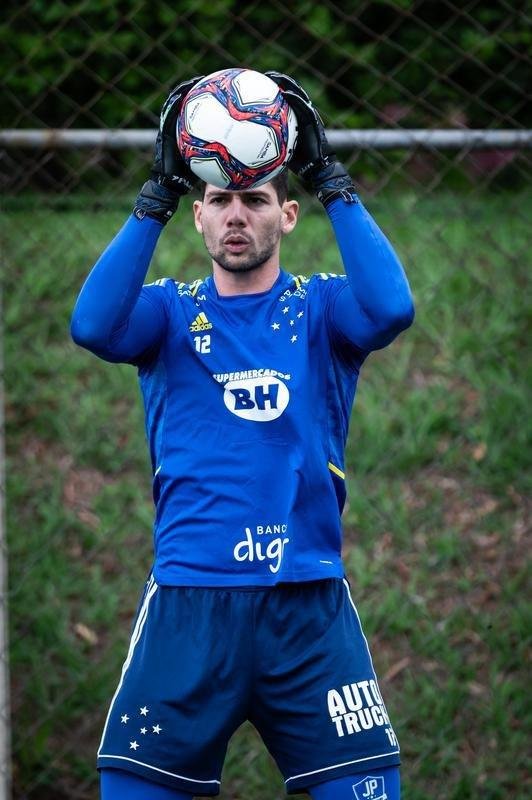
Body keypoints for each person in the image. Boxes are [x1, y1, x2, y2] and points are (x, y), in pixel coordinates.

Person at [71, 71, 414, 800]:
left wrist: (330, 176)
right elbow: (93, 326)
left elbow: (391, 309)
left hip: (307, 608)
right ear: (199, 217)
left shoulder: (322, 310)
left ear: (286, 216)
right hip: (190, 606)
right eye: (219, 200)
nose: (236, 215)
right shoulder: (166, 314)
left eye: (254, 200)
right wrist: (154, 197)